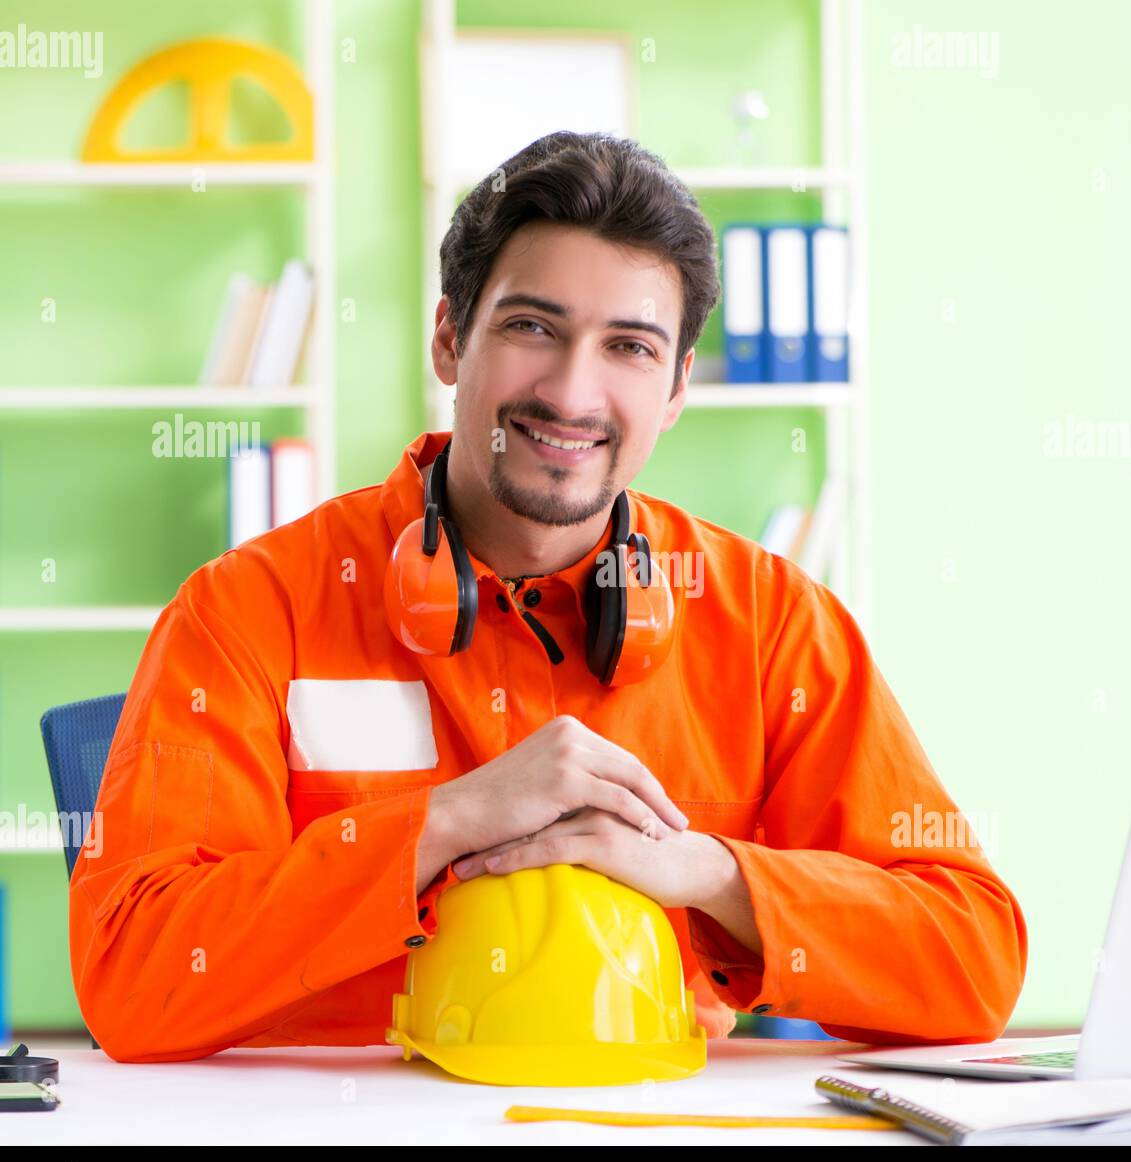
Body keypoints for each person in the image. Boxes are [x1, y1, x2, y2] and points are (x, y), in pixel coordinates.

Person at [70, 131, 1026, 1062]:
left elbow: (974, 958)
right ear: (451, 337)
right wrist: (442, 824)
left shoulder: (770, 620)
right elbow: (131, 969)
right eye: (534, 327)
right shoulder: (249, 608)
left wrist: (713, 876)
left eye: (630, 347)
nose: (573, 393)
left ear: (679, 386)